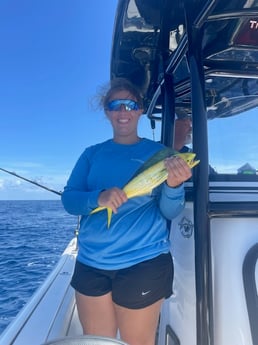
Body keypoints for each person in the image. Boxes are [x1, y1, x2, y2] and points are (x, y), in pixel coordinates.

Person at [61, 78, 192, 345]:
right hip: (91, 263)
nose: (123, 111)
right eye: (115, 105)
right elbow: (70, 199)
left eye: (130, 105)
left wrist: (174, 186)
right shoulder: (91, 154)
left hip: (142, 263)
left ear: (140, 110)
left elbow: (170, 211)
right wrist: (99, 197)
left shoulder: (162, 154)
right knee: (97, 342)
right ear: (107, 111)